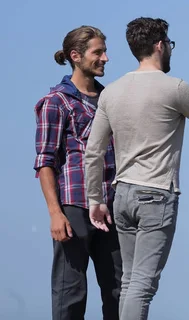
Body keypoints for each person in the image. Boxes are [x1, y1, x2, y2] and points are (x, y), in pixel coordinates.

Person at [84, 17, 189, 320]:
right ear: (160, 45)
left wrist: (94, 200)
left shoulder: (111, 91)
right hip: (156, 194)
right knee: (142, 284)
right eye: (169, 45)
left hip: (121, 194)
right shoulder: (175, 88)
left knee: (128, 282)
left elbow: (94, 151)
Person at [33, 26, 121, 320]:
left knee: (119, 293)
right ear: (76, 56)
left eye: (105, 52)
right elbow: (45, 161)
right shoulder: (56, 102)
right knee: (70, 293)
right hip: (74, 207)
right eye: (98, 52)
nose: (106, 58)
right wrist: (55, 213)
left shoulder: (111, 100)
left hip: (111, 206)